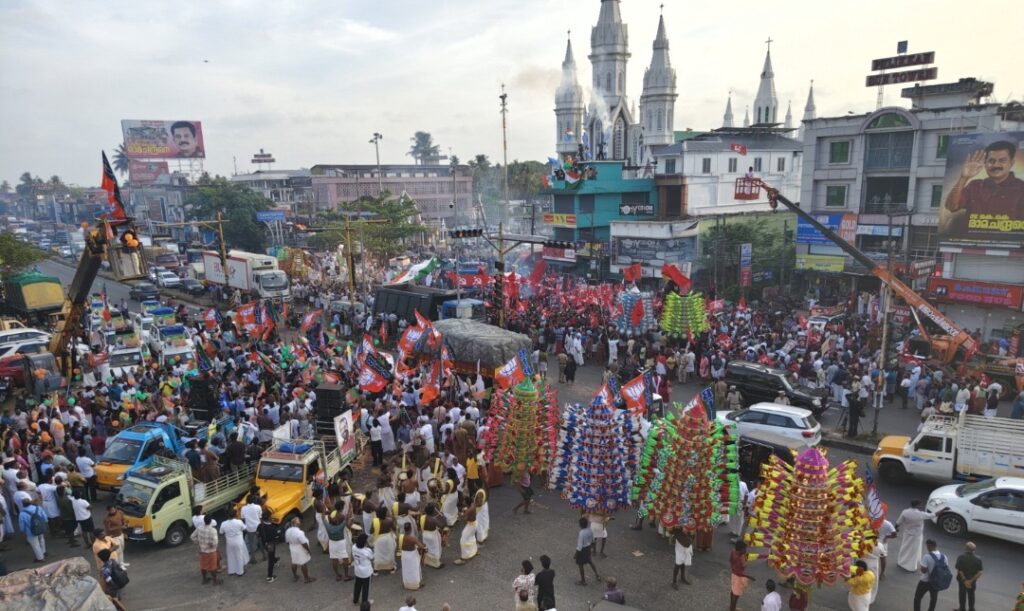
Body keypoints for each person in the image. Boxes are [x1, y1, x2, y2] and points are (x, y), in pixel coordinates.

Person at [944, 140, 1024, 231]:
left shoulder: (1021, 188)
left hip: (1008, 239)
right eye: (991, 161)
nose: (996, 165)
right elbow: (951, 206)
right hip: (973, 239)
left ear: (1011, 163)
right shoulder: (974, 186)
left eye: (1002, 160)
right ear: (985, 163)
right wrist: (963, 178)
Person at [896, 500, 935, 572]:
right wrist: (943, 510)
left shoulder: (905, 512)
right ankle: (910, 567)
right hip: (916, 536)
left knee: (904, 548)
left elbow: (898, 522)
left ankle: (901, 562)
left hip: (907, 534)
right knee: (913, 551)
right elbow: (932, 515)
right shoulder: (921, 514)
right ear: (917, 505)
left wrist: (896, 528)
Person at [914, 539, 946, 611]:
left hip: (925, 581)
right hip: (936, 582)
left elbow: (923, 570)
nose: (927, 547)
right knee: (933, 599)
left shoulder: (927, 556)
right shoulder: (944, 557)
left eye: (927, 546)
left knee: (918, 598)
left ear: (929, 545)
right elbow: (945, 569)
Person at [285, 515, 316, 583]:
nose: (300, 522)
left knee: (294, 562)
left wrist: (292, 546)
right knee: (303, 563)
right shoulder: (299, 532)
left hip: (292, 547)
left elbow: (287, 542)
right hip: (300, 549)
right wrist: (308, 550)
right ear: (296, 523)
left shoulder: (287, 531)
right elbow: (304, 543)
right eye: (298, 521)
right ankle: (306, 578)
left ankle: (295, 576)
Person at [190, 514, 220, 585]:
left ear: (204, 521)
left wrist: (198, 542)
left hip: (202, 550)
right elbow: (215, 543)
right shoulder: (213, 530)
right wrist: (211, 545)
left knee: (203, 566)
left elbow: (192, 536)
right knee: (213, 567)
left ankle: (204, 579)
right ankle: (215, 581)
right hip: (211, 551)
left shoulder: (199, 528)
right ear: (211, 521)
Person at [954, 541, 983, 611]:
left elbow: (959, 569)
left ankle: (962, 608)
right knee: (971, 595)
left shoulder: (961, 557)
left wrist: (964, 580)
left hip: (962, 581)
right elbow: (980, 572)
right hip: (972, 581)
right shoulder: (978, 559)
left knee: (962, 594)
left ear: (966, 548)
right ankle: (971, 609)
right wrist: (971, 581)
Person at [219, 511, 249, 576]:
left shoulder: (223, 523)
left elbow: (221, 532)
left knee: (231, 556)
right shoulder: (239, 522)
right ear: (235, 515)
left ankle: (232, 571)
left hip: (229, 541)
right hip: (238, 541)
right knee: (239, 555)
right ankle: (240, 572)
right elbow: (245, 529)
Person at [326, 508, 352, 581]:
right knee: (345, 559)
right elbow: (346, 520)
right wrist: (349, 511)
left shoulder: (328, 527)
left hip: (332, 544)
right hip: (340, 544)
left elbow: (323, 519)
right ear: (337, 523)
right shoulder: (340, 527)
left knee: (334, 559)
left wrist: (323, 512)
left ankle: (337, 575)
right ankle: (346, 576)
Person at [400, 521, 426, 590]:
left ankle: (407, 583)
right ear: (411, 529)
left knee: (406, 569)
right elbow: (421, 546)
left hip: (404, 555)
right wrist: (424, 546)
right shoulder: (412, 538)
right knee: (414, 569)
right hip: (412, 555)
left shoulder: (400, 537)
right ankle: (415, 585)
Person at [574, 517, 599, 585]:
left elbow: (579, 546)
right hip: (588, 548)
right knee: (590, 561)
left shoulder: (581, 533)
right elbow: (593, 540)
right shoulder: (590, 530)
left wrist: (576, 554)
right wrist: (593, 549)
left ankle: (583, 581)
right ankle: (597, 575)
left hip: (582, 550)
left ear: (580, 525)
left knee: (580, 565)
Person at [351, 532, 374, 606]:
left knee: (357, 586)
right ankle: (365, 602)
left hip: (357, 570)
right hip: (366, 572)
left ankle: (355, 600)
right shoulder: (367, 551)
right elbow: (372, 557)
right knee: (366, 588)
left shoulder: (354, 547)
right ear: (364, 542)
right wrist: (369, 547)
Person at [730, 540, 753, 611]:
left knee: (733, 591)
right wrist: (749, 577)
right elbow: (742, 568)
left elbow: (730, 560)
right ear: (740, 550)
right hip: (738, 577)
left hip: (734, 574)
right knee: (736, 594)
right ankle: (732, 609)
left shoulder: (733, 551)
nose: (746, 550)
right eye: (744, 549)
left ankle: (732, 608)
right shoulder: (739, 558)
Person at [240, 496, 263, 563]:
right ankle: (264, 555)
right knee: (260, 541)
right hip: (258, 526)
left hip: (249, 528)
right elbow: (260, 517)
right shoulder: (258, 507)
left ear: (247, 501)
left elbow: (243, 519)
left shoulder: (243, 508)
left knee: (251, 543)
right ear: (254, 500)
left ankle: (253, 558)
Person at [258, 510, 279, 583]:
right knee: (271, 560)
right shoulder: (272, 527)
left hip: (264, 544)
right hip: (271, 544)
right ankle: (269, 577)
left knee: (271, 556)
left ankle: (276, 560)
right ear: (269, 517)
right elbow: (276, 536)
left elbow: (258, 534)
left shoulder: (260, 525)